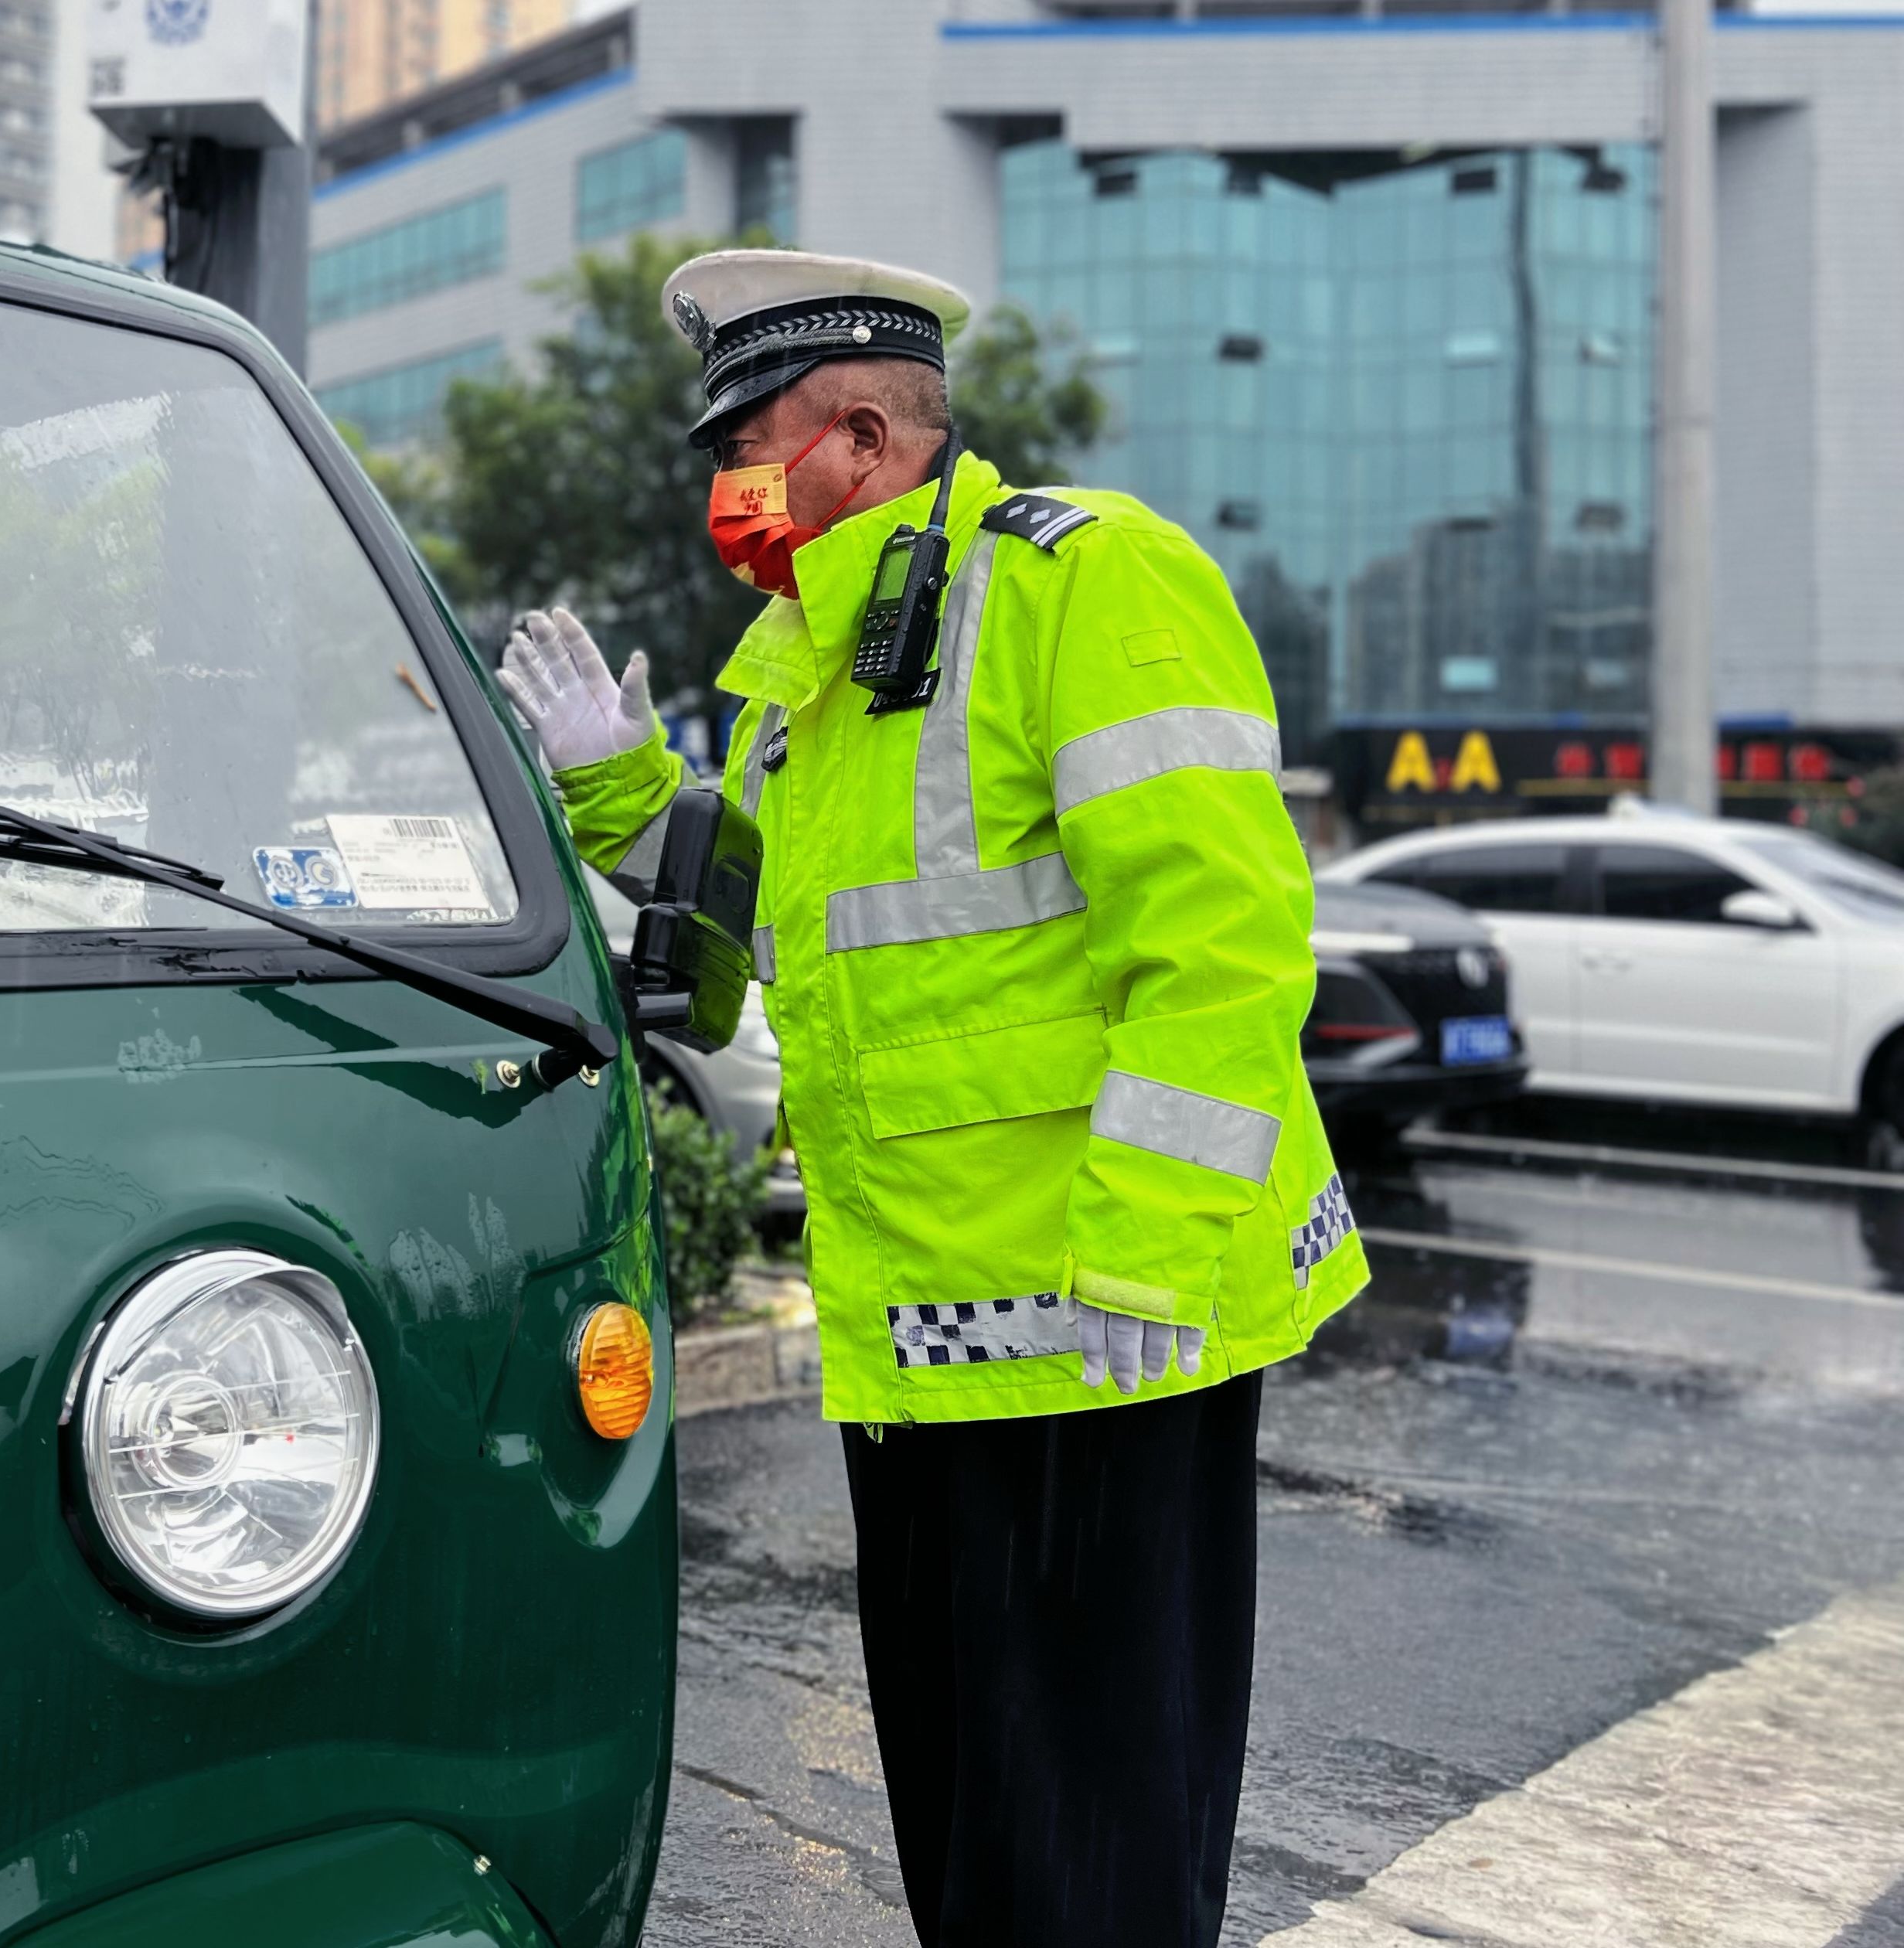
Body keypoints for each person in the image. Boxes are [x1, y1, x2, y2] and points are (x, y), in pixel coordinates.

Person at [500, 250, 1368, 1947]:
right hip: (924, 1336)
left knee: (1096, 1848)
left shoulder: (1083, 579)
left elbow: (1224, 948)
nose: (729, 485)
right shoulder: (807, 670)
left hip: (1106, 1328)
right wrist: (620, 787)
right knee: (973, 1829)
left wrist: (1147, 1251)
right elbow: (754, 944)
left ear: (864, 435)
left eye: (749, 443)